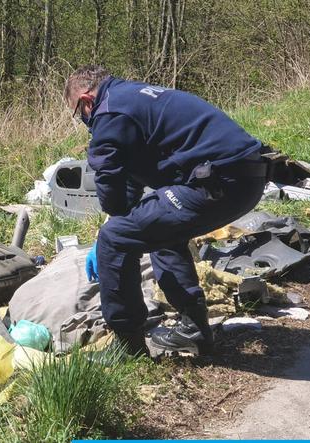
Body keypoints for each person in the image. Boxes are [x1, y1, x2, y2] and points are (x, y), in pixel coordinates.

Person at [65, 65, 267, 356]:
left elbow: (109, 178)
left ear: (86, 101)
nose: (84, 121)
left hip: (218, 182)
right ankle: (194, 329)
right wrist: (123, 216)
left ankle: (127, 347)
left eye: (78, 114)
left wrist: (109, 230)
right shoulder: (131, 97)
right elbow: (131, 175)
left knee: (114, 239)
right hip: (244, 179)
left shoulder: (108, 112)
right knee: (159, 232)